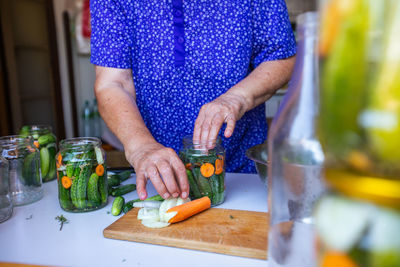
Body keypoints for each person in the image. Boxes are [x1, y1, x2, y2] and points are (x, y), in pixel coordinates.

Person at [90, 0, 296, 201]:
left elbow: (281, 57)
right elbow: (112, 84)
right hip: (157, 181)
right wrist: (141, 147)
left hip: (242, 179)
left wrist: (237, 98)